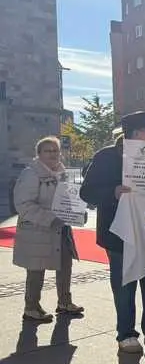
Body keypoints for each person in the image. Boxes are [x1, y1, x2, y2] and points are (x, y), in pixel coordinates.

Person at [80, 111, 145, 353]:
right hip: (119, 233)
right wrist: (113, 192)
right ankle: (126, 333)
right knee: (124, 287)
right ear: (134, 133)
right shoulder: (107, 156)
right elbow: (87, 192)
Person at [12, 136, 84, 322]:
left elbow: (73, 199)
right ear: (39, 154)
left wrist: (78, 212)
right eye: (48, 150)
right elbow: (23, 204)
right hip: (38, 230)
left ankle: (64, 302)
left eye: (55, 150)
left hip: (61, 229)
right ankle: (31, 307)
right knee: (36, 270)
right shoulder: (31, 174)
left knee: (65, 265)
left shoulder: (65, 173)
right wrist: (50, 218)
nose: (53, 154)